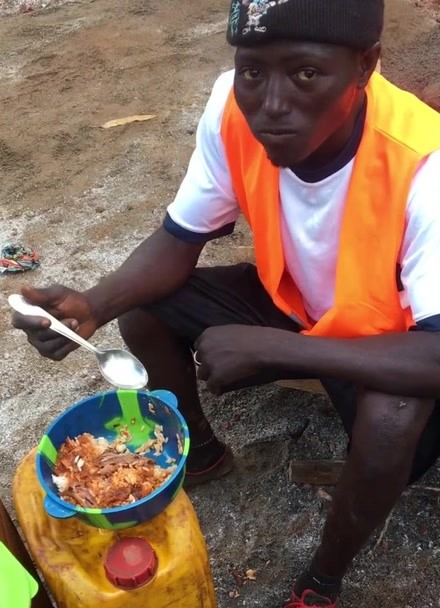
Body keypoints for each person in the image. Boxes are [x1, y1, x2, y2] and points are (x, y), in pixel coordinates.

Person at [12, 0, 440, 606]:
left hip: (390, 341)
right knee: (145, 307)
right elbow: (178, 239)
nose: (271, 104)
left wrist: (274, 348)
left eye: (306, 74)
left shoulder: (425, 163)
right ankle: (203, 454)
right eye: (253, 71)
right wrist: (92, 303)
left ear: (366, 66)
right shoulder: (230, 107)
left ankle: (322, 578)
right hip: (297, 305)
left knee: (391, 424)